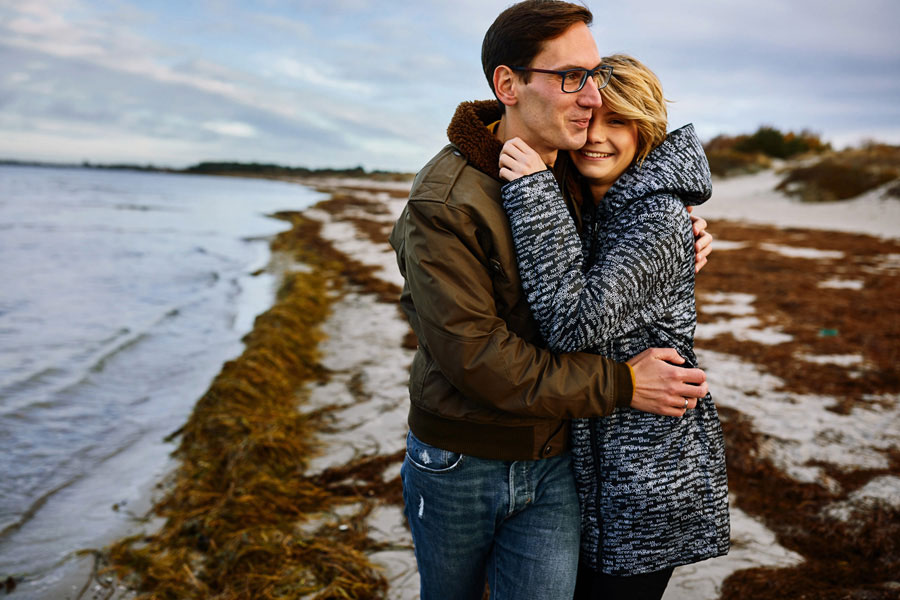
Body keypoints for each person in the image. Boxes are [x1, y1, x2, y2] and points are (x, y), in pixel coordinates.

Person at [388, 2, 713, 598]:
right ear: (508, 84)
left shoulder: (572, 170)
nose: (589, 99)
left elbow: (619, 252)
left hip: (565, 455)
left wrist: (677, 237)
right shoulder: (447, 201)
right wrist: (622, 383)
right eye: (571, 77)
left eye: (592, 75)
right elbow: (478, 358)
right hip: (465, 457)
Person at [499, 54, 730, 600]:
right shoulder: (595, 201)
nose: (595, 136)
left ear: (645, 130)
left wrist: (533, 193)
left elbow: (572, 323)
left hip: (643, 482)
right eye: (590, 117)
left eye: (618, 121)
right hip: (591, 468)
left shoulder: (658, 218)